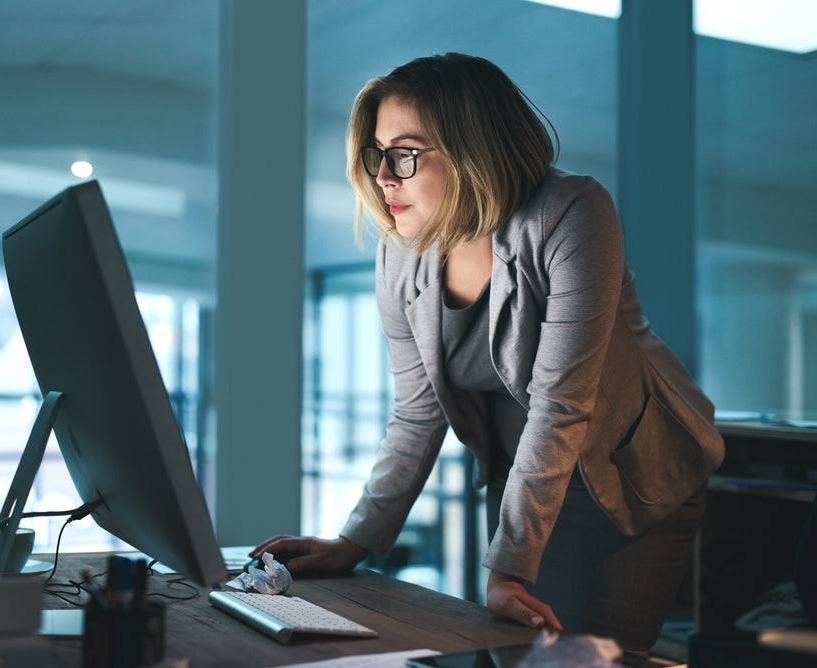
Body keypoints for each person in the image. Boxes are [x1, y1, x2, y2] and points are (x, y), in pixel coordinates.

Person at [253, 52, 724, 653]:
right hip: (522, 474)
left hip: (632, 472)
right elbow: (418, 413)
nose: (384, 176)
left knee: (588, 661)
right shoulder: (402, 252)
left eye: (406, 152)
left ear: (473, 147)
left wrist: (508, 570)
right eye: (377, 153)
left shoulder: (572, 212)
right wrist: (356, 540)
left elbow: (560, 405)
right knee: (518, 655)